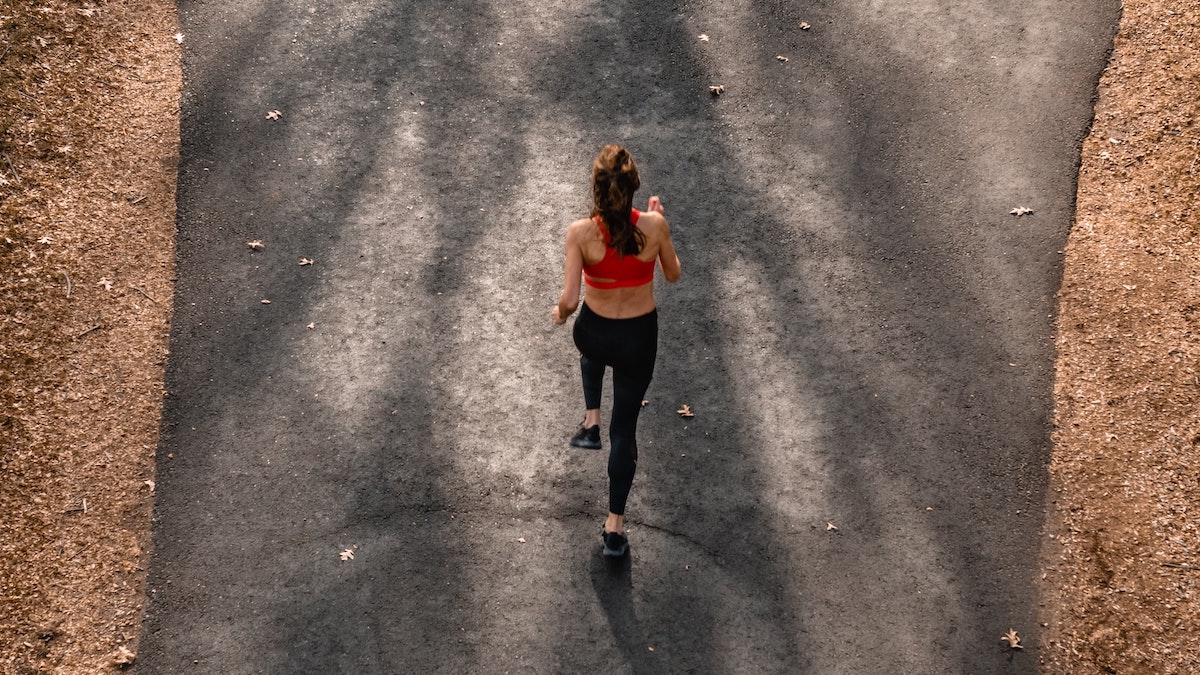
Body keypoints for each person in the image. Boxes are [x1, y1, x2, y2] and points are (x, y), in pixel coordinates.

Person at [551, 144, 682, 557]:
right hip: (637, 340)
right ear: (633, 187)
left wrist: (559, 314)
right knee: (624, 430)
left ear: (596, 189)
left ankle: (590, 421)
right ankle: (614, 529)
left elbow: (570, 300)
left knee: (592, 350)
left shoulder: (580, 233)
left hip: (595, 332)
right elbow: (673, 274)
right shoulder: (655, 226)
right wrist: (658, 223)